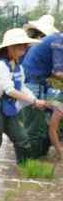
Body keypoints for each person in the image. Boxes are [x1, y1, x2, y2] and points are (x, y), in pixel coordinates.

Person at [0, 29, 48, 172]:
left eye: (25, 46)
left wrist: (35, 99)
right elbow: (10, 90)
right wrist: (33, 102)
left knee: (22, 139)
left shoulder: (18, 67)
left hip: (9, 107)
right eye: (20, 46)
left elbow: (21, 87)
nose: (24, 49)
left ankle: (25, 170)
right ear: (10, 47)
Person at [21, 14, 63, 158]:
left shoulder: (51, 41)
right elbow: (58, 72)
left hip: (36, 83)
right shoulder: (59, 42)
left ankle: (35, 158)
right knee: (33, 127)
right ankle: (26, 163)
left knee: (37, 126)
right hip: (32, 84)